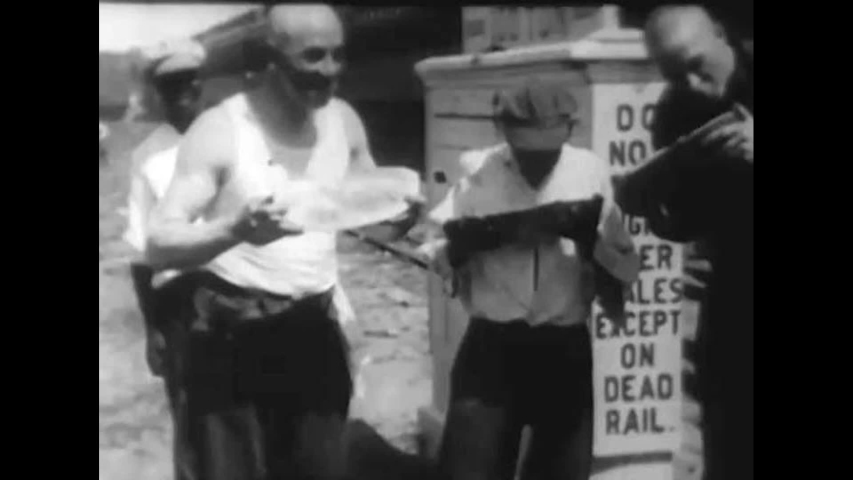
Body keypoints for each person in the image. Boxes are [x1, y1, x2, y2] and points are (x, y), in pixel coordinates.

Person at [145, 4, 419, 479]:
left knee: (320, 469)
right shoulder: (222, 131)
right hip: (232, 334)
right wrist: (233, 231)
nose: (329, 70)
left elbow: (365, 204)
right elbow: (160, 242)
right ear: (271, 58)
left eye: (338, 55)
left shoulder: (343, 121)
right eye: (313, 56)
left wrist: (400, 215)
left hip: (312, 328)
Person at [421, 78, 640, 480]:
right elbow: (434, 248)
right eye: (527, 155)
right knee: (469, 469)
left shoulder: (589, 171)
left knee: (561, 469)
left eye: (548, 155)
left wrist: (590, 240)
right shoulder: (478, 171)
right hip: (493, 347)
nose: (538, 167)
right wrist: (485, 238)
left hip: (563, 346)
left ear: (568, 134)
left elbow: (627, 264)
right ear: (503, 134)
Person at [617, 6, 753, 480]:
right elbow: (686, 221)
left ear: (722, 33)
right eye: (676, 75)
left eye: (698, 65)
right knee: (728, 426)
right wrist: (653, 209)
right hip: (737, 282)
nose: (693, 84)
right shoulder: (676, 110)